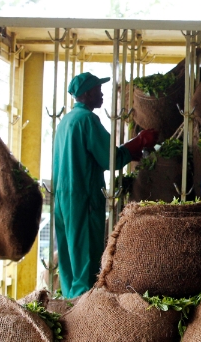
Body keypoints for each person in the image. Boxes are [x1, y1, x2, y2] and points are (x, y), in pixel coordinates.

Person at [53, 72, 158, 298]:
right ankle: (84, 310)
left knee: (69, 258)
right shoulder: (87, 120)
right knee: (86, 256)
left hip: (63, 198)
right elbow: (110, 158)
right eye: (98, 90)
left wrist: (131, 150)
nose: (102, 94)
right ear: (88, 93)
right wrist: (139, 141)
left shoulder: (66, 122)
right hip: (83, 198)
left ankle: (69, 304)